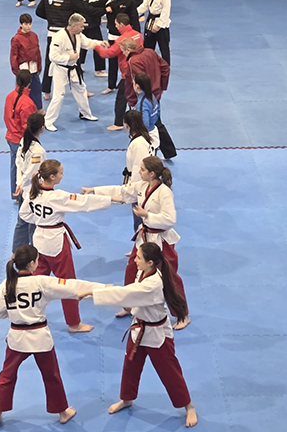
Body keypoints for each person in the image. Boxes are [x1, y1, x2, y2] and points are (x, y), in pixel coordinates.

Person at [79, 242, 197, 427]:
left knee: (170, 372)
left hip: (157, 335)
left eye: (139, 257)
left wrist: (92, 293)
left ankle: (189, 406)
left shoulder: (152, 284)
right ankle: (127, 399)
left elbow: (125, 293)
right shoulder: (142, 273)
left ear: (150, 262)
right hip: (138, 328)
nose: (135, 259)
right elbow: (127, 293)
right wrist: (96, 291)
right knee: (130, 367)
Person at [0, 244, 103, 426]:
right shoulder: (41, 282)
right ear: (32, 264)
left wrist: (15, 313)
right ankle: (63, 412)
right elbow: (71, 286)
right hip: (40, 338)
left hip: (17, 338)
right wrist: (101, 289)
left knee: (7, 375)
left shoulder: (6, 285)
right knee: (51, 376)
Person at [82, 157, 190, 329]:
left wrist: (147, 215)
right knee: (132, 269)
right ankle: (129, 306)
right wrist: (94, 190)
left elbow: (170, 219)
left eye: (142, 169)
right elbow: (120, 190)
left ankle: (182, 314)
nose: (139, 172)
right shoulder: (141, 186)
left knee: (170, 278)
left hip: (161, 240)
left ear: (152, 173)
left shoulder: (164, 192)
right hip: (144, 238)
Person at [19, 159, 112, 331]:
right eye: (61, 173)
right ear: (52, 176)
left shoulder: (33, 192)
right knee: (68, 284)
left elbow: (24, 214)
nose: (63, 175)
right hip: (56, 243)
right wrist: (111, 200)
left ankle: (27, 318)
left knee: (34, 283)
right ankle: (74, 323)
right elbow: (84, 203)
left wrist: (41, 220)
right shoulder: (58, 196)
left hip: (38, 241)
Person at [36, 0, 106, 100]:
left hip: (52, 32)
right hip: (66, 34)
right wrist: (104, 8)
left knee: (49, 61)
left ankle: (46, 91)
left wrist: (51, 18)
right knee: (75, 61)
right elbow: (85, 9)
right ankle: (82, 90)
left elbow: (39, 12)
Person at [43, 14, 107, 132]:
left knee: (81, 90)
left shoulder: (78, 35)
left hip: (73, 68)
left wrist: (99, 43)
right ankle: (48, 121)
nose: (83, 28)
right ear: (73, 26)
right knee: (59, 96)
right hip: (60, 69)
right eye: (81, 26)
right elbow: (53, 56)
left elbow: (88, 43)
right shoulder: (58, 37)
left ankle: (85, 114)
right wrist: (69, 57)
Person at [120, 37, 177, 160]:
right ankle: (168, 151)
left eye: (123, 51)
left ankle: (145, 154)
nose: (124, 54)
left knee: (142, 125)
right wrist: (162, 86)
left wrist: (132, 100)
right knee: (156, 121)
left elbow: (137, 82)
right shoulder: (150, 52)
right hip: (155, 93)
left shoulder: (133, 61)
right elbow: (165, 67)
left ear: (128, 49)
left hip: (142, 97)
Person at [94, 13, 143, 131]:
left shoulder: (121, 40)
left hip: (128, 73)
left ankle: (118, 123)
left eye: (116, 24)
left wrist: (96, 46)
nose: (115, 26)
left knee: (122, 98)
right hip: (140, 70)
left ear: (121, 24)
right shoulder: (138, 35)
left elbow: (108, 53)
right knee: (138, 97)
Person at [11, 113, 46, 253]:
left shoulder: (23, 140)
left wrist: (19, 183)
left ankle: (16, 252)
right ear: (42, 128)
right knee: (34, 223)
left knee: (22, 222)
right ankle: (34, 254)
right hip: (33, 191)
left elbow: (18, 163)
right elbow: (32, 172)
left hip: (23, 188)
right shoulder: (38, 151)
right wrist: (22, 183)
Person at [102, 0, 141, 96]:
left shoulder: (128, 1)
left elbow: (134, 18)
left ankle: (134, 83)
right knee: (112, 62)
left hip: (126, 38)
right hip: (112, 36)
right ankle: (111, 85)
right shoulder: (108, 0)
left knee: (129, 62)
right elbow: (93, 7)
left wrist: (136, 35)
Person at [5, 70, 38, 199]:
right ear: (30, 82)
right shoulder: (27, 103)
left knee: (15, 167)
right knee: (26, 169)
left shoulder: (10, 96)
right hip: (21, 140)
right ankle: (22, 195)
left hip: (11, 136)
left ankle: (16, 194)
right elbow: (28, 127)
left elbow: (6, 116)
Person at [75, 0, 108, 77]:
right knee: (98, 45)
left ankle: (79, 64)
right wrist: (104, 10)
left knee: (81, 44)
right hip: (92, 24)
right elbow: (93, 11)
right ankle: (99, 69)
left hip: (81, 23)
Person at [138, 0, 172, 66]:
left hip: (161, 25)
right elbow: (144, 6)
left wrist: (158, 25)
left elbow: (165, 12)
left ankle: (166, 67)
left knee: (164, 48)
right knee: (148, 47)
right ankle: (147, 65)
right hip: (150, 21)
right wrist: (134, 13)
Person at [10, 13, 43, 111]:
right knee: (22, 91)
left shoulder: (34, 36)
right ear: (21, 24)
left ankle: (38, 109)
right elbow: (13, 56)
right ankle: (19, 109)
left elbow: (38, 52)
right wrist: (16, 71)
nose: (28, 26)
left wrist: (39, 66)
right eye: (26, 24)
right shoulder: (16, 39)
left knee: (37, 89)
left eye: (30, 24)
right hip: (23, 69)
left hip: (33, 68)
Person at [133, 72, 160, 148]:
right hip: (153, 131)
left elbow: (145, 124)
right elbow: (158, 112)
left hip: (146, 137)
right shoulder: (151, 96)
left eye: (133, 83)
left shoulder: (142, 103)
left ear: (137, 86)